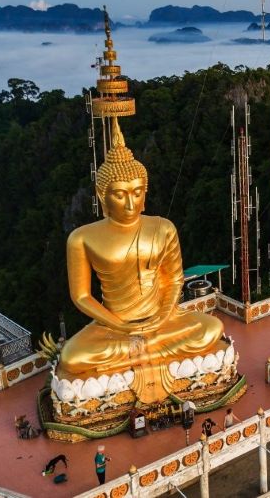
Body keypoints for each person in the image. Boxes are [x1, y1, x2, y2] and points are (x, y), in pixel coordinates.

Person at [56, 117, 225, 404]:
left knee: (211, 329)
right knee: (73, 357)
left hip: (163, 321)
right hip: (114, 327)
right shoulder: (82, 238)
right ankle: (144, 348)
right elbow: (82, 296)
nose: (131, 203)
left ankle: (141, 350)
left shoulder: (163, 227)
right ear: (102, 195)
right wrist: (122, 327)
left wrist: (160, 317)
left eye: (137, 192)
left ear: (145, 192)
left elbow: (174, 279)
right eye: (120, 195)